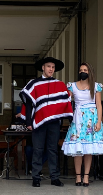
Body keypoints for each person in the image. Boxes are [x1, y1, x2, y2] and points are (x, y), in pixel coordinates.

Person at [20, 57, 74, 188]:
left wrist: (70, 118)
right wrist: (28, 122)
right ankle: (36, 177)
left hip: (54, 122)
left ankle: (55, 177)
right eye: (49, 66)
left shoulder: (60, 84)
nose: (51, 69)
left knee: (53, 150)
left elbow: (66, 102)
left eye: (53, 67)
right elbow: (28, 104)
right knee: (37, 149)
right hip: (38, 122)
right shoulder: (34, 83)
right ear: (43, 67)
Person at [62, 62, 103, 187]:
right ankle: (78, 176)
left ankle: (86, 176)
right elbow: (66, 100)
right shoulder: (72, 86)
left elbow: (99, 105)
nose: (82, 71)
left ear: (90, 72)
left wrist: (99, 121)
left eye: (85, 69)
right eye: (81, 69)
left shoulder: (96, 87)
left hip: (91, 118)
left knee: (88, 149)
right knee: (78, 150)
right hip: (78, 119)